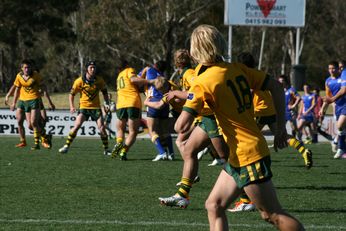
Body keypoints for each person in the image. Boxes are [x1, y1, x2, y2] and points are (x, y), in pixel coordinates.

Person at [171, 24, 304, 230]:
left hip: (247, 154)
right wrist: (280, 128)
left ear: (196, 50)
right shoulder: (236, 69)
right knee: (214, 205)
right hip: (242, 152)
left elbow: (181, 126)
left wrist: (183, 100)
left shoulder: (202, 82)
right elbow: (276, 87)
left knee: (272, 215)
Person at [228, 52, 312, 213]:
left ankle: (246, 198)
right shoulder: (260, 75)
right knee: (281, 136)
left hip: (258, 112)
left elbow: (248, 95)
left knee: (248, 144)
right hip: (271, 111)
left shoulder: (245, 76)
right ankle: (303, 150)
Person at [58, 61, 111, 155]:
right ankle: (66, 146)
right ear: (87, 69)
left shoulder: (99, 80)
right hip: (84, 108)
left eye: (94, 67)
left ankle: (106, 150)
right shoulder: (79, 81)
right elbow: (71, 95)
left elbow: (105, 92)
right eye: (91, 67)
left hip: (96, 108)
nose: (93, 69)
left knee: (102, 128)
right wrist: (71, 106)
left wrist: (107, 103)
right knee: (77, 125)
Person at [111, 59, 156, 160]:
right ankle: (123, 151)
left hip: (121, 104)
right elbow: (134, 80)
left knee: (120, 129)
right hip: (132, 102)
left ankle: (119, 142)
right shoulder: (129, 70)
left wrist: (144, 71)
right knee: (133, 132)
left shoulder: (119, 76)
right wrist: (150, 81)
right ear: (127, 65)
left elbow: (136, 80)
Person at [9, 59, 52, 150]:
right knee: (19, 121)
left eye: (29, 67)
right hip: (22, 101)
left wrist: (49, 102)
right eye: (25, 67)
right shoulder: (19, 76)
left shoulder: (36, 75)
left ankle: (43, 140)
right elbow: (17, 89)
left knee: (33, 123)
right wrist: (13, 103)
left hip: (34, 100)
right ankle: (23, 141)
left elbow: (43, 87)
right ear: (22, 68)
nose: (27, 69)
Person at [143, 60, 176, 161]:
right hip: (165, 103)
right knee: (165, 131)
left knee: (152, 131)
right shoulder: (164, 78)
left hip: (153, 103)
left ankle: (162, 152)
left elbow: (138, 80)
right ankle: (171, 153)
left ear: (155, 65)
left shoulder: (151, 73)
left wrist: (146, 102)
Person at [321, 60, 346, 158]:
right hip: (337, 106)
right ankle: (341, 146)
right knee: (341, 128)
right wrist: (322, 109)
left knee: (340, 125)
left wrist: (331, 99)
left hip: (345, 104)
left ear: (338, 68)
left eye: (333, 68)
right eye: (329, 68)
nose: (331, 70)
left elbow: (343, 90)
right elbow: (328, 97)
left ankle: (339, 145)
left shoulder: (343, 76)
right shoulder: (328, 81)